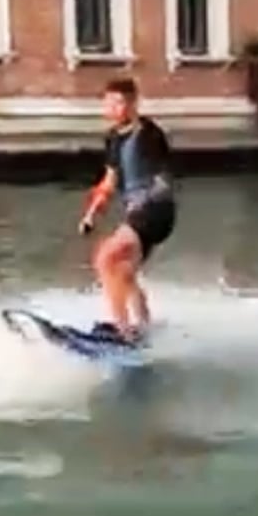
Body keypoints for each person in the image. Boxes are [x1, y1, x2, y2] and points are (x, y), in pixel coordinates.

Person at [78, 78, 176, 342]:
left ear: (133, 103)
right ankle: (144, 327)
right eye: (108, 103)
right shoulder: (112, 138)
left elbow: (163, 176)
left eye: (119, 102)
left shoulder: (150, 134)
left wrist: (150, 196)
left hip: (156, 210)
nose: (112, 108)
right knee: (123, 271)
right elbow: (109, 182)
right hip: (137, 213)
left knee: (106, 257)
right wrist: (90, 215)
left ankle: (121, 330)